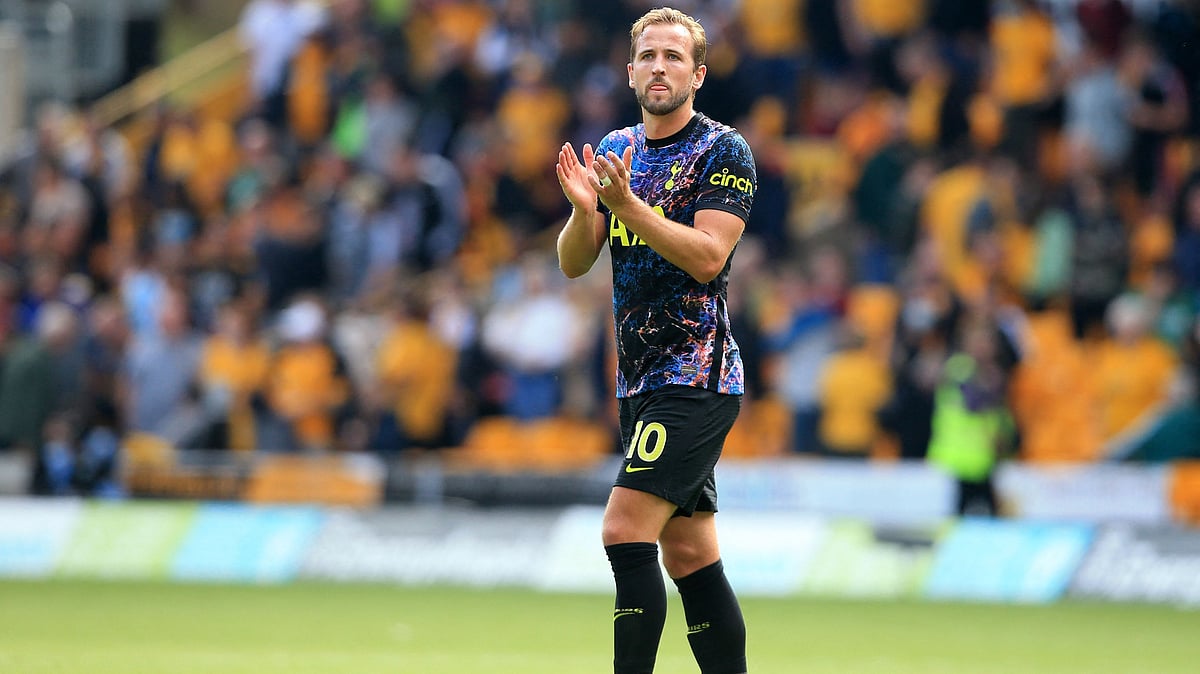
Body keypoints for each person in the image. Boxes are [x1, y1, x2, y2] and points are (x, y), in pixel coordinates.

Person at [554, 8, 754, 674]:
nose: (659, 67)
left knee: (622, 529)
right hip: (638, 382)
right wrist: (588, 214)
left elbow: (707, 256)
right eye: (648, 56)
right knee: (690, 553)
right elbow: (575, 262)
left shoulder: (723, 151)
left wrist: (630, 209)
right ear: (630, 69)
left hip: (696, 376)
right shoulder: (616, 150)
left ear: (697, 74)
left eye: (673, 56)